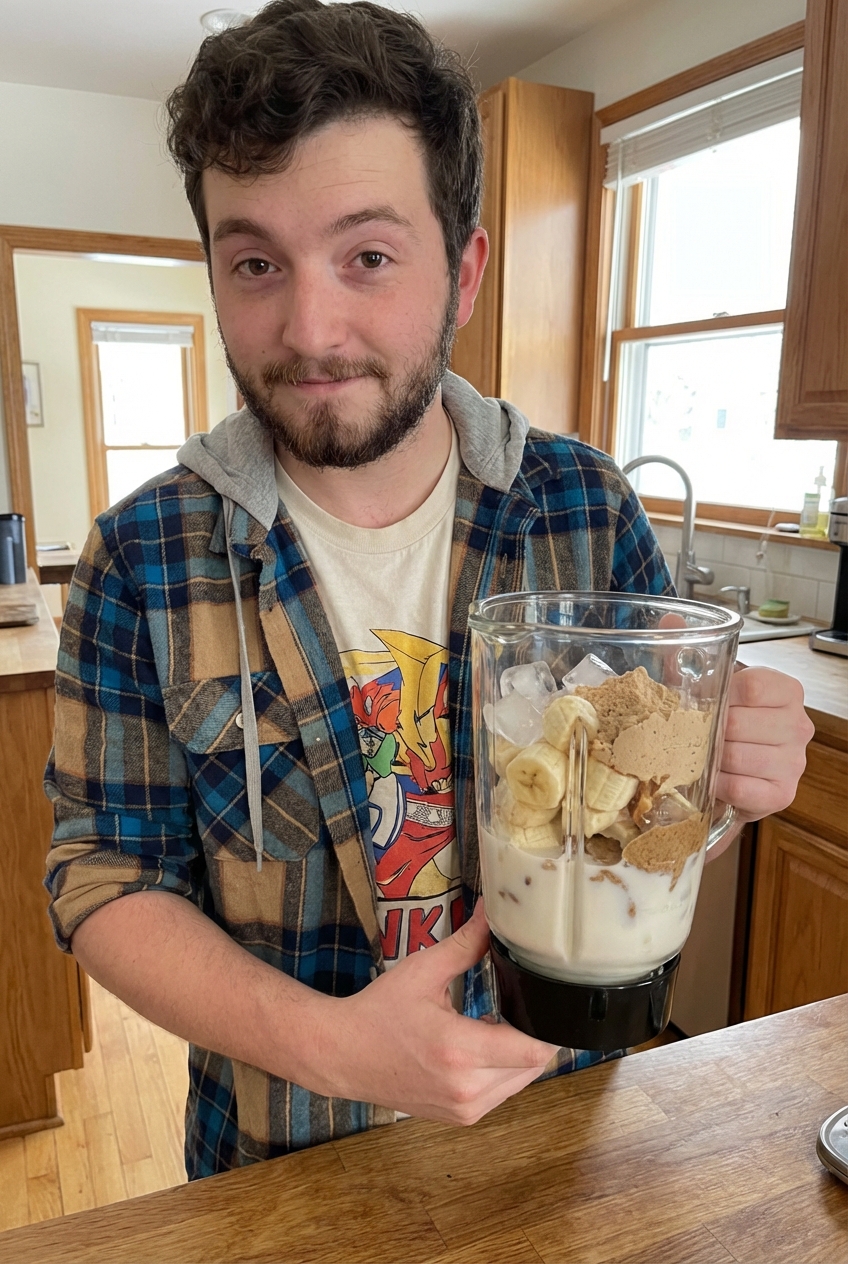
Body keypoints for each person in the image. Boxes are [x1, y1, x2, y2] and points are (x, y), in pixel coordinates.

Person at [45, 0, 813, 1180]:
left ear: (461, 272)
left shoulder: (583, 509)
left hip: (562, 1132)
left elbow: (654, 808)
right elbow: (102, 874)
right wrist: (339, 1047)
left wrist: (727, 773)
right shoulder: (140, 557)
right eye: (255, 261)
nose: (310, 327)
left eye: (367, 256)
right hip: (279, 1163)